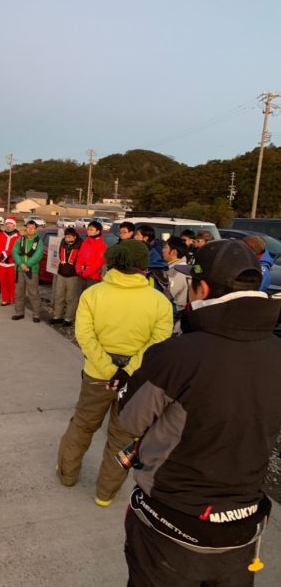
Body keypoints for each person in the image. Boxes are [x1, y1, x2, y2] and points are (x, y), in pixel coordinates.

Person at [117, 239, 281, 587]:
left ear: (201, 288)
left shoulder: (178, 354)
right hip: (244, 522)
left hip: (173, 518)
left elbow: (130, 418)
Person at [57, 240, 173, 506]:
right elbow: (159, 342)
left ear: (113, 262)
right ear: (143, 265)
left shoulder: (93, 294)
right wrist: (127, 371)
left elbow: (84, 335)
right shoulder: (159, 302)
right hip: (135, 382)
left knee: (82, 426)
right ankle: (105, 494)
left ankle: (67, 474)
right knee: (122, 436)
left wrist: (110, 370)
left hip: (97, 375)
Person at [11, 219, 44, 322]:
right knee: (19, 292)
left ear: (35, 229)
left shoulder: (38, 241)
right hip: (20, 269)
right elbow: (14, 252)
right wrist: (21, 264)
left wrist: (27, 265)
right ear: (26, 228)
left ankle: (36, 314)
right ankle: (19, 312)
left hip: (32, 270)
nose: (30, 229)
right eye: (28, 227)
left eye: (32, 228)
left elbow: (38, 255)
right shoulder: (20, 239)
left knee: (33, 293)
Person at [49, 227, 82, 327]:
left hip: (73, 275)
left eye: (69, 236)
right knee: (59, 295)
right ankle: (57, 316)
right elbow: (60, 255)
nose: (67, 238)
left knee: (70, 297)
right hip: (61, 273)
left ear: (74, 237)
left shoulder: (80, 245)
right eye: (66, 236)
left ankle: (69, 318)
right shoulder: (63, 243)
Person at [162, 236, 188, 330]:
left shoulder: (175, 272)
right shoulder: (187, 267)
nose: (163, 250)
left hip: (175, 317)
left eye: (165, 247)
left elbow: (168, 295)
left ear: (174, 252)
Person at [0, 216, 21, 306]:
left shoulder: (19, 236)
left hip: (12, 262)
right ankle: (5, 299)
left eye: (11, 223)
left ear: (14, 225)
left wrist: (8, 255)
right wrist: (2, 255)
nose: (9, 225)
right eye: (7, 224)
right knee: (3, 281)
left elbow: (17, 248)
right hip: (1, 261)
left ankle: (14, 299)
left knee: (12, 282)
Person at [75, 220, 106, 289]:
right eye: (88, 229)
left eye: (92, 230)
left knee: (89, 297)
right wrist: (78, 270)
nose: (89, 231)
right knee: (80, 296)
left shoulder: (101, 246)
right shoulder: (85, 243)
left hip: (93, 277)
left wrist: (86, 272)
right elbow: (79, 257)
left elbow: (98, 264)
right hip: (81, 274)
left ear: (98, 232)